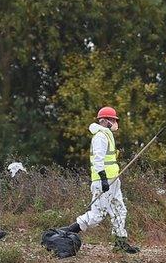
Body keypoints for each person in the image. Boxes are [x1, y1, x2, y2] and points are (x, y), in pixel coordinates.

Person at [59, 107, 139, 254]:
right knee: (98, 215)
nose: (115, 122)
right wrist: (103, 179)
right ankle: (66, 232)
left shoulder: (107, 135)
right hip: (104, 181)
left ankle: (121, 243)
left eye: (115, 120)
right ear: (104, 120)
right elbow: (98, 159)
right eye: (113, 119)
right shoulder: (100, 137)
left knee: (119, 210)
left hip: (113, 180)